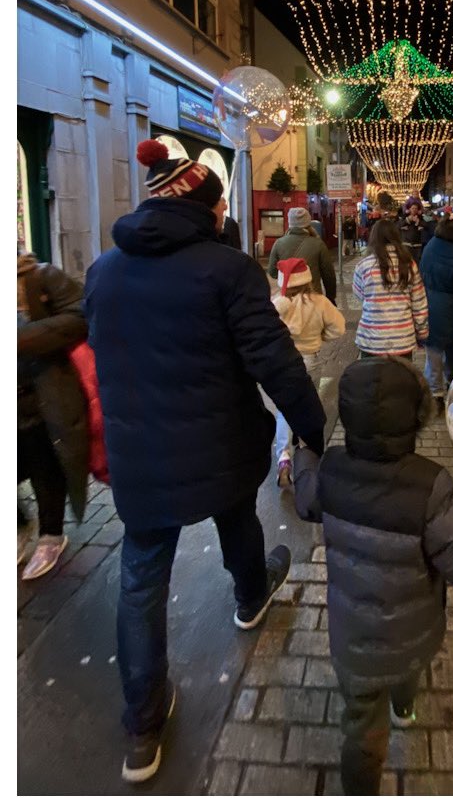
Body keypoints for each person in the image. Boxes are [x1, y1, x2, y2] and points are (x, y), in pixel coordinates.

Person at [84, 140, 326, 784]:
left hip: (141, 457)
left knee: (141, 577)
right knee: (236, 515)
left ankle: (142, 725)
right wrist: (312, 431)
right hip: (219, 442)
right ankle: (250, 595)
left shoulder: (103, 271)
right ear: (209, 208)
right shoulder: (226, 270)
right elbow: (274, 361)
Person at [292, 355, 453, 796]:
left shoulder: (332, 469)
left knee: (361, 732)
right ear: (416, 420)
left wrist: (304, 454)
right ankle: (405, 706)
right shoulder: (430, 484)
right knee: (406, 667)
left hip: (353, 640)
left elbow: (305, 500)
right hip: (414, 632)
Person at [17, 250, 90, 580]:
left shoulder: (40, 276)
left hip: (42, 395)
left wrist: (20, 339)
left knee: (43, 462)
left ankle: (50, 534)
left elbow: (81, 316)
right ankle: (19, 525)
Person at [270, 258, 345, 488]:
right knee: (308, 407)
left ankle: (283, 456)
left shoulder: (277, 304)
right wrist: (320, 338)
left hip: (282, 361)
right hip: (310, 360)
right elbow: (339, 328)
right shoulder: (320, 302)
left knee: (285, 410)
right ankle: (305, 451)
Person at [352, 217, 428, 358]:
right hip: (402, 338)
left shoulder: (363, 266)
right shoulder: (409, 264)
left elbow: (360, 295)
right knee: (400, 379)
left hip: (371, 339)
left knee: (372, 379)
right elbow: (419, 303)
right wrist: (422, 332)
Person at [419, 216, 453, 413]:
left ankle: (435, 394)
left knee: (433, 350)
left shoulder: (430, 247)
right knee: (449, 346)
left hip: (428, 303)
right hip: (451, 307)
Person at [268, 206, 336, 304]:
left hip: (288, 299)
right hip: (313, 299)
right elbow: (328, 274)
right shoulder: (318, 244)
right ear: (308, 223)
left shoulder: (279, 243)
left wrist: (289, 275)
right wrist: (330, 297)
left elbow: (272, 272)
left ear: (290, 223)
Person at [399, 198, 425, 263]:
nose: (414, 210)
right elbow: (397, 226)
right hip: (406, 244)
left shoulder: (421, 219)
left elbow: (427, 227)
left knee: (416, 263)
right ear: (409, 209)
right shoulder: (404, 218)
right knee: (406, 262)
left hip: (417, 246)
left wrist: (418, 222)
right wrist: (407, 220)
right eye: (412, 208)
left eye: (416, 208)